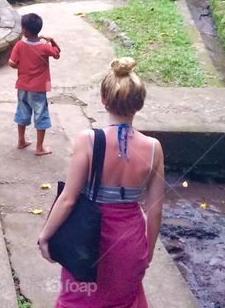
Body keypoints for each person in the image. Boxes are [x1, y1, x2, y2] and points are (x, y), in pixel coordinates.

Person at [38, 57, 165, 308]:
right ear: (139, 104)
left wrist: (45, 236)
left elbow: (68, 199)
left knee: (78, 300)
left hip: (89, 242)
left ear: (103, 100)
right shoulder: (153, 149)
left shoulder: (88, 140)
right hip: (130, 243)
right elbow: (155, 210)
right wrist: (147, 252)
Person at [9, 12, 60, 156]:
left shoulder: (19, 45)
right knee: (40, 115)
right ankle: (39, 148)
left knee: (22, 111)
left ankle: (21, 141)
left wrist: (21, 67)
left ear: (24, 31)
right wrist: (52, 41)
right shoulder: (44, 47)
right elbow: (57, 54)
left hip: (22, 87)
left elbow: (12, 63)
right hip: (38, 89)